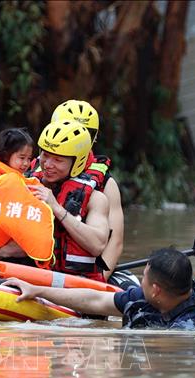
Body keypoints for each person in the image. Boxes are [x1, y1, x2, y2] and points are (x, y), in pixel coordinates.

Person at [3, 248, 195, 330]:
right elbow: (95, 299)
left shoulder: (191, 327)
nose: (138, 280)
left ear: (155, 290)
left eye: (143, 277)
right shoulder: (145, 299)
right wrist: (37, 290)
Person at [49, 100, 128, 285]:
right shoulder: (35, 169)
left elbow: (115, 242)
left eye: (84, 132)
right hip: (38, 269)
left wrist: (99, 281)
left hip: (82, 274)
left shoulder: (105, 184)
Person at [29, 119, 110, 282]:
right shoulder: (26, 185)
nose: (48, 165)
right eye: (45, 155)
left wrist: (56, 208)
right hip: (32, 275)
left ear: (76, 162)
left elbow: (97, 245)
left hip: (74, 281)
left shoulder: (96, 199)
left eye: (58, 160)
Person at [0, 128, 54, 265]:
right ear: (5, 155)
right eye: (21, 158)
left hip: (18, 259)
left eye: (29, 158)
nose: (26, 163)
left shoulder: (22, 182)